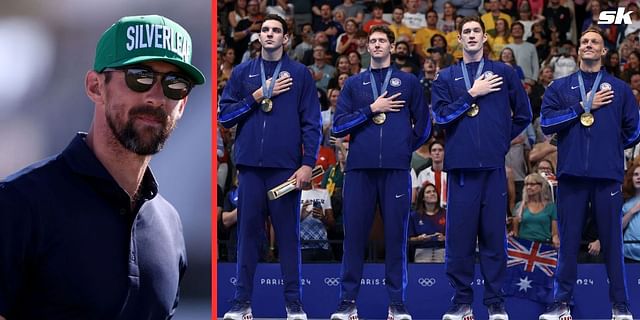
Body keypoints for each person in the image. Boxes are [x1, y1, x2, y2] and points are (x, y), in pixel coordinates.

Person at [0, 14, 205, 319]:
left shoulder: (170, 226)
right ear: (96, 87)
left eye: (175, 84)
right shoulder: (18, 203)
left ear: (184, 104)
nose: (156, 97)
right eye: (140, 76)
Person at [219, 14, 322, 320]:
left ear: (286, 38)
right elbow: (225, 117)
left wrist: (307, 164)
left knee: (288, 237)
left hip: (284, 171)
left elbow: (312, 124)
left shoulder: (300, 74)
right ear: (258, 37)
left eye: (276, 30)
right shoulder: (242, 73)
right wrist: (257, 95)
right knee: (247, 236)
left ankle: (293, 305)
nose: (270, 34)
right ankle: (241, 304)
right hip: (250, 168)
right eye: (265, 30)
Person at [431, 16, 532, 320]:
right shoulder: (446, 77)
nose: (472, 35)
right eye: (466, 32)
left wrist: (500, 141)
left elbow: (524, 114)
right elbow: (440, 117)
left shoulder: (504, 72)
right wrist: (472, 94)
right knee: (459, 240)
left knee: (493, 239)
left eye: (477, 31)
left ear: (485, 37)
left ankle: (495, 302)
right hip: (461, 170)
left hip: (491, 168)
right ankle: (462, 301)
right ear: (459, 40)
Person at [330, 25, 431, 320]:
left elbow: (424, 126)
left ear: (391, 46)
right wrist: (372, 108)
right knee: (354, 238)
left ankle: (397, 305)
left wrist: (402, 148)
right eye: (372, 41)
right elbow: (338, 127)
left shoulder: (409, 82)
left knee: (397, 238)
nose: (376, 45)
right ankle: (347, 303)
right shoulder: (353, 84)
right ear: (366, 47)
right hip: (359, 170)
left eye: (381, 41)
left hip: (396, 170)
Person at [539, 27, 640, 320]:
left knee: (612, 242)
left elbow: (633, 129)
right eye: (584, 41)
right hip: (571, 176)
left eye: (595, 41)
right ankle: (561, 303)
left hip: (607, 175)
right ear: (578, 49)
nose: (589, 45)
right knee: (568, 242)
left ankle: (620, 306)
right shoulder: (559, 87)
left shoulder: (619, 89)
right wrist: (583, 106)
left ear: (604, 51)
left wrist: (608, 146)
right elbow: (546, 123)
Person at [511, 173, 559, 248]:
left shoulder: (551, 207)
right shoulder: (519, 206)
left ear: (541, 186)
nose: (529, 187)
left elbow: (554, 234)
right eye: (526, 184)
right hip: (523, 246)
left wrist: (555, 240)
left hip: (544, 246)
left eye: (532, 184)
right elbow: (515, 232)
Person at [408, 183, 447, 263]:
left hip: (442, 252)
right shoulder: (414, 216)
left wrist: (444, 238)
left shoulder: (446, 214)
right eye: (428, 192)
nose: (432, 194)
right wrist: (419, 239)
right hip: (421, 252)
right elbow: (408, 239)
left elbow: (455, 237)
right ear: (423, 198)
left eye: (434, 191)